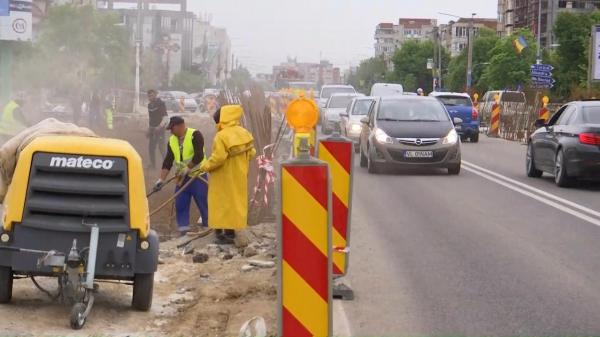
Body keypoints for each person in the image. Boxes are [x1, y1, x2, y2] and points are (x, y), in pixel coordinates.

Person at [200, 105, 256, 244]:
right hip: (240, 176)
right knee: (235, 203)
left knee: (219, 203)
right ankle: (231, 233)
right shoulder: (244, 132)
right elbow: (252, 153)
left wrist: (205, 166)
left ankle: (219, 234)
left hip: (222, 177)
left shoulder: (221, 136)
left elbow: (218, 158)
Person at [154, 116, 208, 236]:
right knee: (180, 204)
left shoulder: (195, 135)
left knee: (203, 202)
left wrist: (188, 168)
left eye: (172, 129)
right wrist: (161, 180)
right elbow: (168, 161)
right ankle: (184, 232)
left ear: (180, 126)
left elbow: (199, 155)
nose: (170, 132)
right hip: (182, 179)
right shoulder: (172, 140)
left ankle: (208, 228)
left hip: (198, 176)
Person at [147, 89, 168, 169]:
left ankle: (167, 165)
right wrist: (149, 129)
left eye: (151, 95)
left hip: (160, 129)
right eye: (149, 96)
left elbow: (165, 117)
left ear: (155, 95)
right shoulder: (149, 105)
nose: (150, 97)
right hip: (153, 129)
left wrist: (159, 127)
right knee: (151, 147)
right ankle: (153, 165)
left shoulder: (161, 103)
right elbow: (151, 118)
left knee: (161, 148)